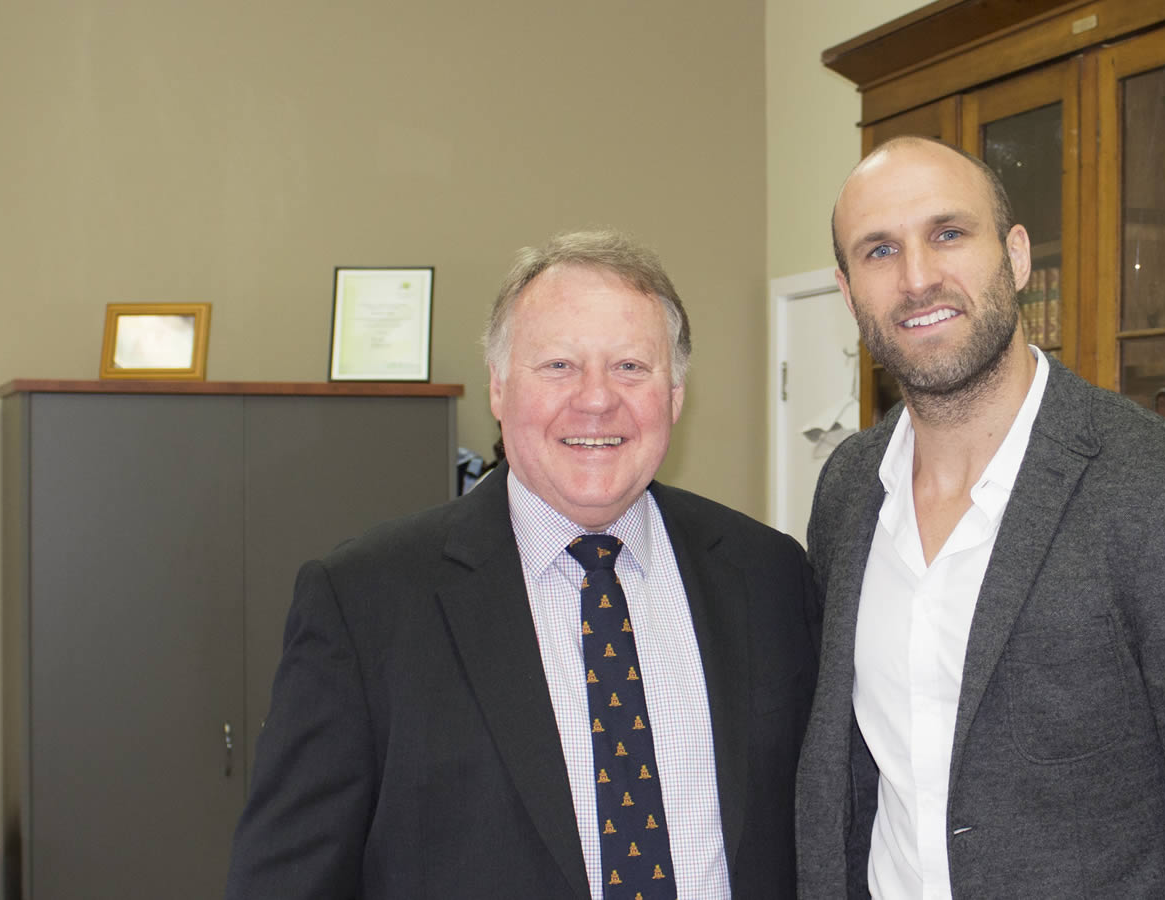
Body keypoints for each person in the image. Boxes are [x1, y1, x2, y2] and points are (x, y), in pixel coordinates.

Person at [226, 230, 819, 899]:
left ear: (675, 395)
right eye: (559, 366)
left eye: (631, 367)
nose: (597, 399)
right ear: (500, 390)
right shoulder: (365, 604)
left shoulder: (769, 577)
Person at [795, 136, 1165, 898]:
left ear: (1017, 255)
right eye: (879, 251)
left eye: (947, 234)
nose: (917, 277)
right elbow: (850, 782)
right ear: (847, 294)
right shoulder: (846, 491)